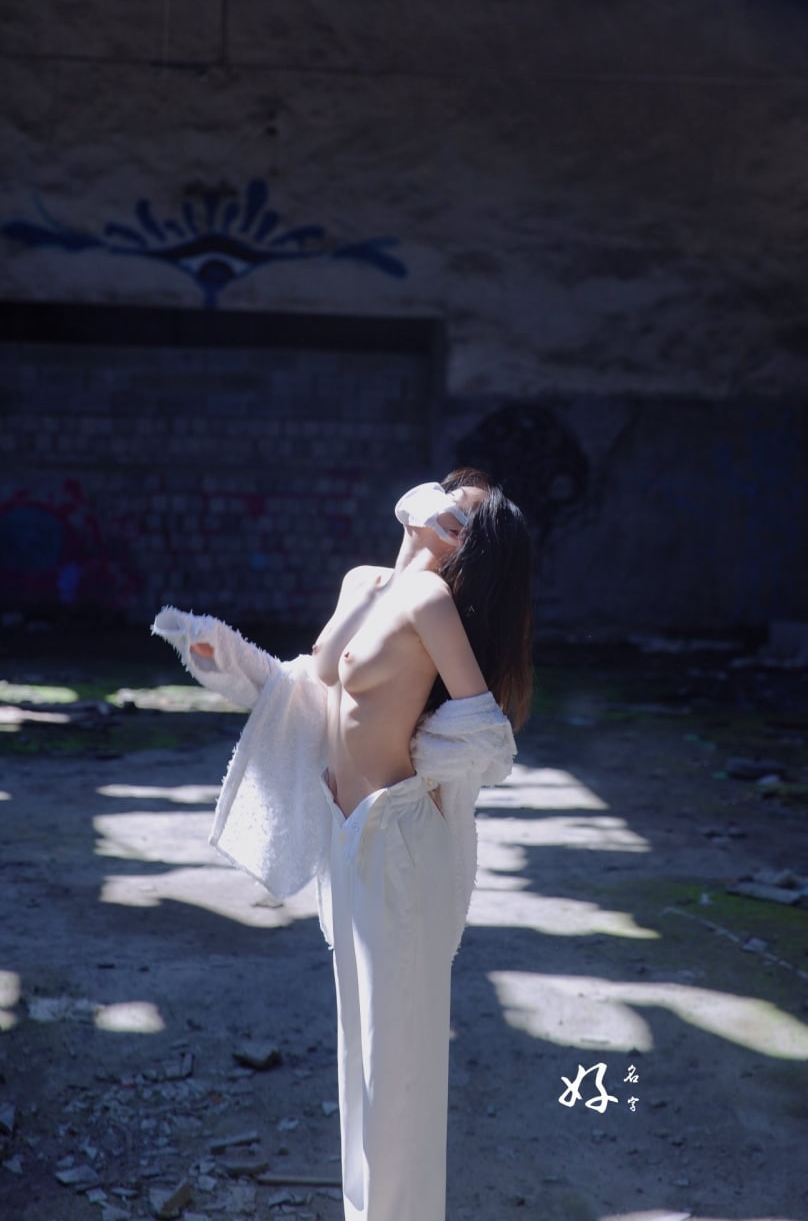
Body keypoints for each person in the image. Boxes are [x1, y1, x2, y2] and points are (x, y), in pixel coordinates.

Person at [152, 468, 533, 1221]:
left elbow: (487, 736)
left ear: (462, 545)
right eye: (447, 493)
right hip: (348, 831)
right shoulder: (365, 582)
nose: (440, 502)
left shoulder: (429, 602)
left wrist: (415, 765)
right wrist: (228, 660)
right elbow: (310, 689)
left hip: (398, 834)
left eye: (459, 513)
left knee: (397, 1058)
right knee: (358, 1051)